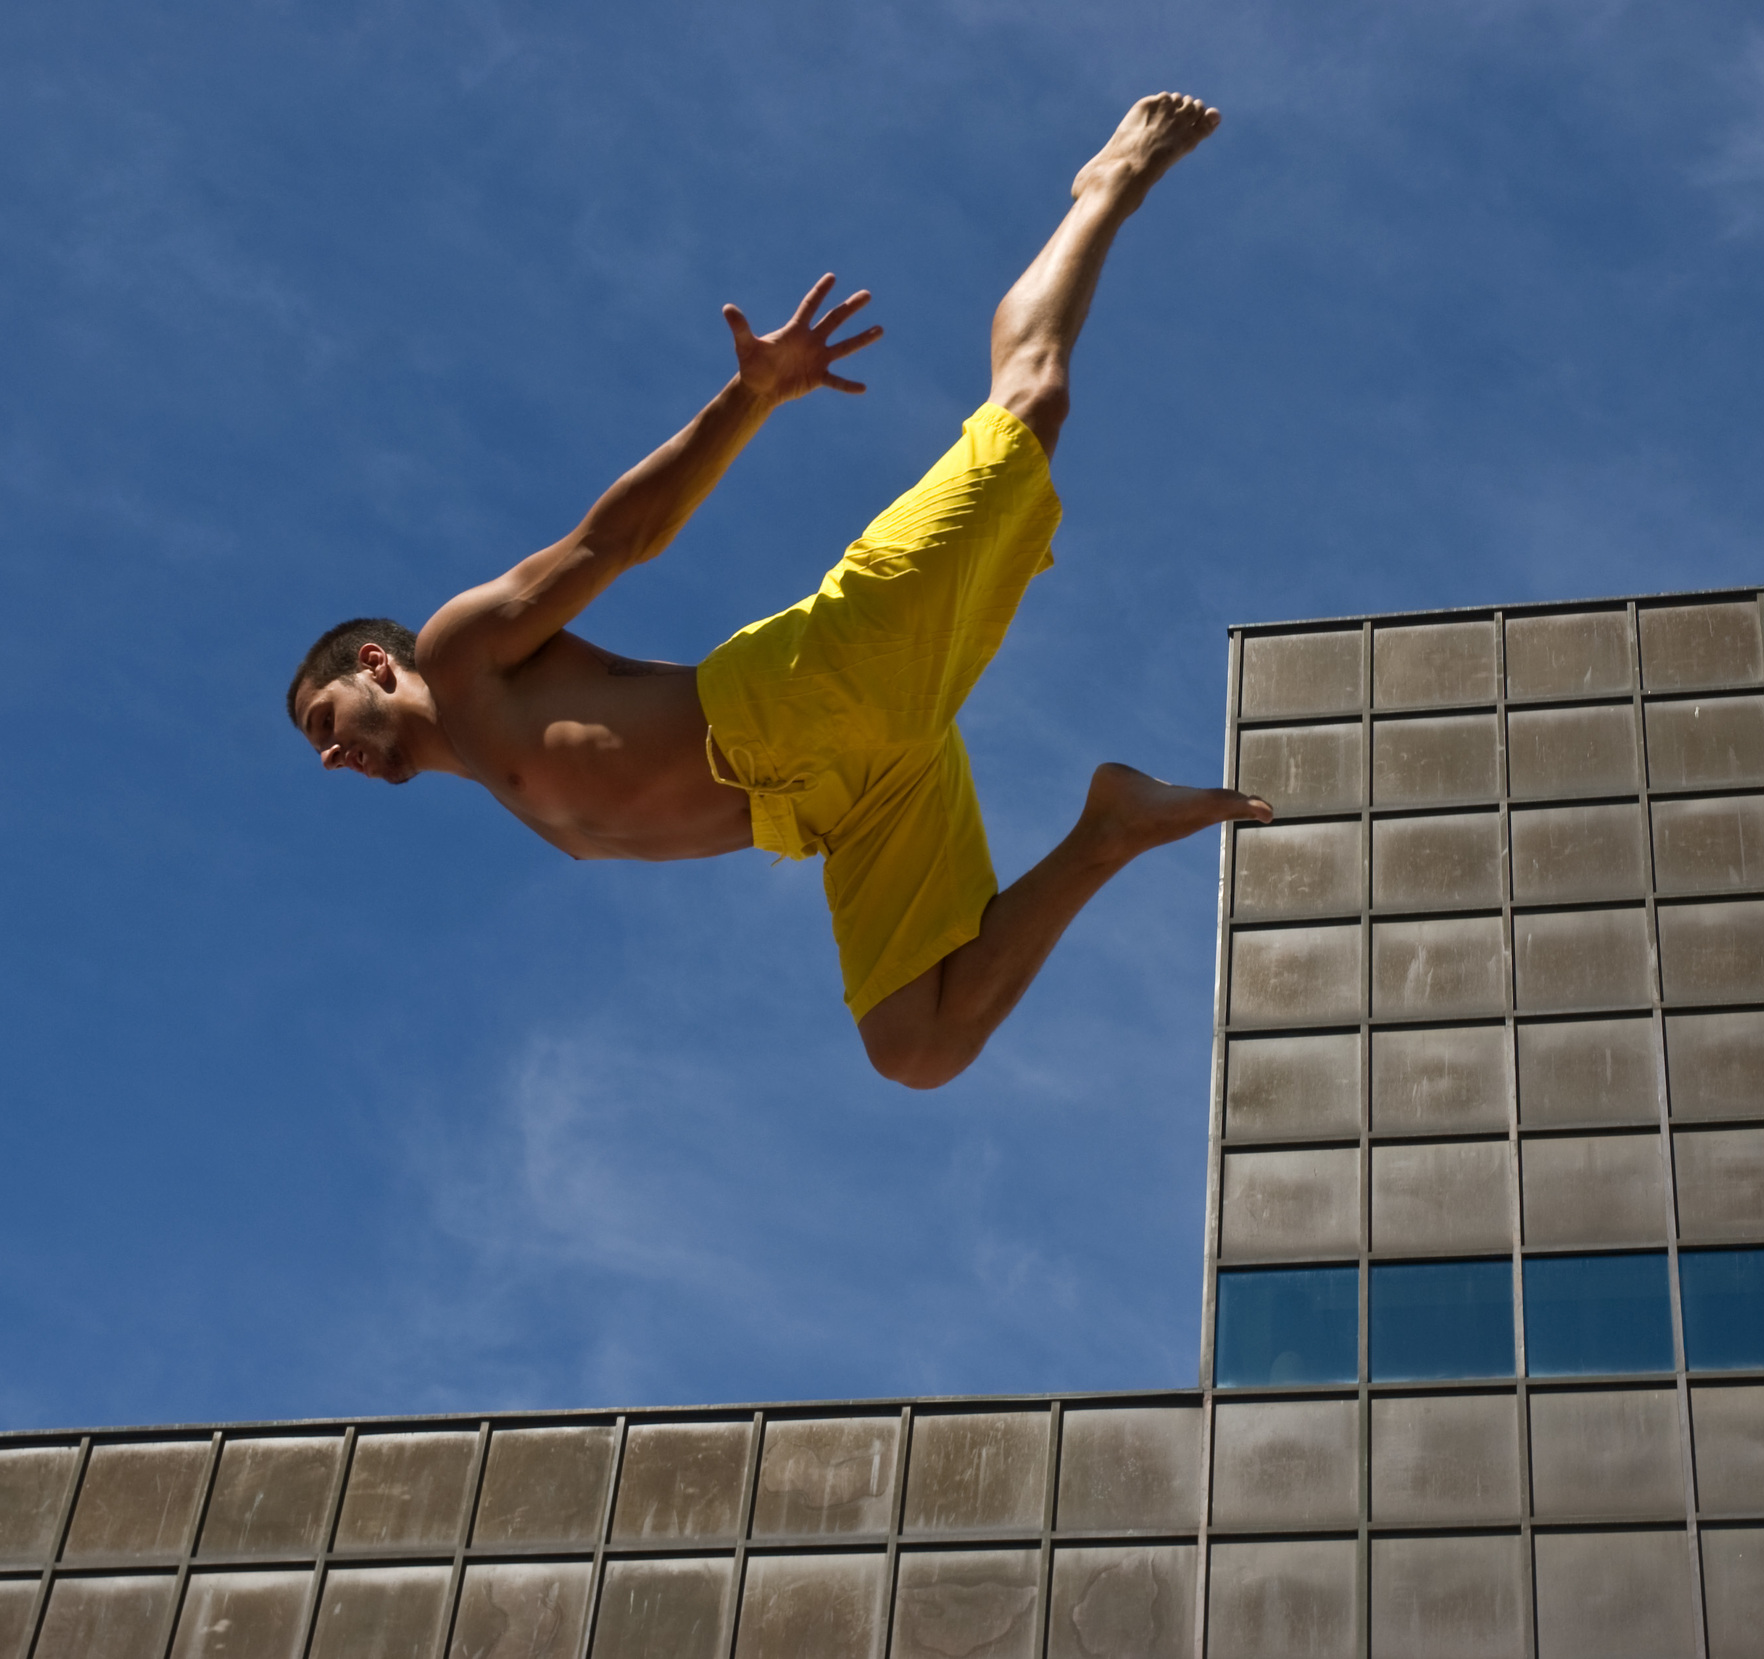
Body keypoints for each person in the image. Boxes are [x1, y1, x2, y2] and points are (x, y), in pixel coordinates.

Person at [287, 92, 1271, 1088]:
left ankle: (1107, 184)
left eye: (324, 717)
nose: (329, 754)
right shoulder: (517, 802)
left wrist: (752, 395)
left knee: (1030, 405)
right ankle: (1110, 829)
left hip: (813, 690)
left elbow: (619, 537)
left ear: (376, 664)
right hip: (844, 806)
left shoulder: (461, 654)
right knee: (917, 1048)